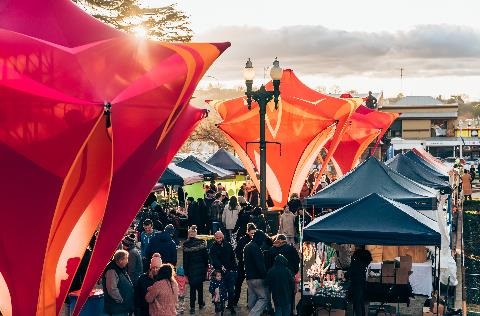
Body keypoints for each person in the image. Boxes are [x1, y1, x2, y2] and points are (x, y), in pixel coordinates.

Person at [209, 230, 238, 314]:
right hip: (219, 273)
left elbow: (232, 257)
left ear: (223, 237)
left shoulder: (228, 245)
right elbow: (214, 259)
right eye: (217, 238)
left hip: (229, 271)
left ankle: (230, 306)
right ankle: (218, 306)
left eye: (220, 238)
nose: (218, 240)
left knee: (231, 290)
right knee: (218, 290)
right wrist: (221, 266)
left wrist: (233, 268)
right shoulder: (213, 248)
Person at [183, 225, 208, 314]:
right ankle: (200, 303)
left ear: (189, 234)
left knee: (192, 288)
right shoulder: (202, 243)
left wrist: (185, 272)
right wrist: (206, 267)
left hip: (191, 269)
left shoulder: (186, 245)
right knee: (200, 287)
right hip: (201, 268)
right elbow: (206, 257)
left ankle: (192, 306)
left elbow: (185, 261)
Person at [102, 250, 134, 316]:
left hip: (122, 307)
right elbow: (112, 289)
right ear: (120, 260)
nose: (127, 261)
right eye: (126, 259)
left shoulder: (119, 268)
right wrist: (121, 300)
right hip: (117, 308)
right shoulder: (112, 270)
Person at [244, 231, 268, 316]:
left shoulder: (247, 246)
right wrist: (265, 276)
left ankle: (251, 312)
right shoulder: (256, 248)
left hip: (249, 277)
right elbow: (260, 264)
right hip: (257, 277)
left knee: (252, 299)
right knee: (264, 298)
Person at [234, 223, 256, 306]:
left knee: (250, 286)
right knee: (238, 283)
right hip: (242, 265)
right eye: (251, 233)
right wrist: (242, 259)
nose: (253, 235)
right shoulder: (242, 240)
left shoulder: (256, 240)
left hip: (251, 267)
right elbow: (237, 251)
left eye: (254, 233)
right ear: (248, 232)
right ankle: (235, 301)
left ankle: (249, 302)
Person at [349, 245, 373, 316]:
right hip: (362, 280)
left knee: (357, 303)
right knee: (361, 301)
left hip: (357, 281)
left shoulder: (356, 255)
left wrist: (346, 275)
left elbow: (353, 268)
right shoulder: (366, 254)